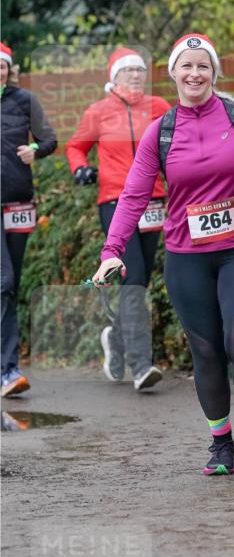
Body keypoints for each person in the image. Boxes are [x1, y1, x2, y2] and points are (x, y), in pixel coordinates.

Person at [92, 33, 234, 475]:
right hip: (187, 257)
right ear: (173, 73)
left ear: (214, 73)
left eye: (203, 66)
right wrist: (112, 250)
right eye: (186, 66)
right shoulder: (161, 131)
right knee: (207, 351)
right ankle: (220, 441)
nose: (194, 74)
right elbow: (133, 195)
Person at [66, 48, 170, 391]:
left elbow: (178, 138)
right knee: (133, 275)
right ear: (115, 77)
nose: (137, 76)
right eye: (129, 71)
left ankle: (116, 338)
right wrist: (80, 168)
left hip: (152, 200)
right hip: (115, 200)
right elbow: (75, 147)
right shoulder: (98, 111)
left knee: (140, 278)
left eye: (140, 70)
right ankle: (140, 365)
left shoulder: (158, 107)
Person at [1, 42, 58, 397]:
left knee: (11, 285)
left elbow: (49, 140)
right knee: (3, 281)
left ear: (9, 69)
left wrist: (33, 149)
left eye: (2, 66)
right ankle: (8, 370)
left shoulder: (25, 100)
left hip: (19, 201)